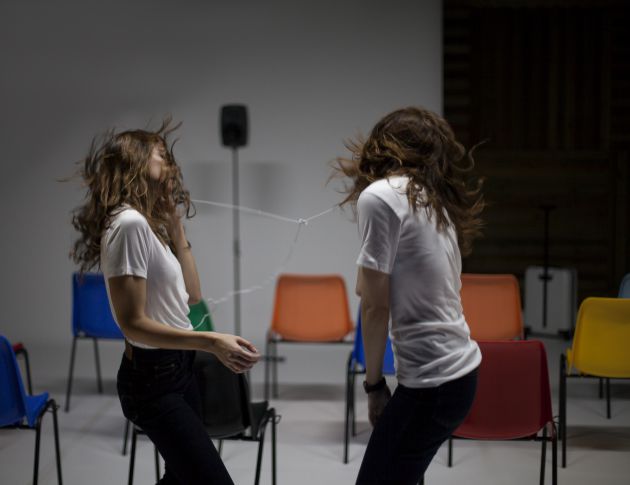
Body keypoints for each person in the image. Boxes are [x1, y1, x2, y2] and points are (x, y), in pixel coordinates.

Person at [70, 119, 260, 485]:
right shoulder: (128, 224)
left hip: (178, 369)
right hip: (152, 379)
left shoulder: (144, 226)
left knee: (179, 478)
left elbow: (193, 295)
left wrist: (176, 229)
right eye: (162, 156)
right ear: (137, 162)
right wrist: (212, 341)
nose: (171, 166)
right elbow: (132, 324)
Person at [333, 107, 485, 484]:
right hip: (455, 377)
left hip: (433, 383)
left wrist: (373, 386)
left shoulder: (380, 197)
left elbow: (373, 306)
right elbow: (365, 288)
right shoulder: (428, 199)